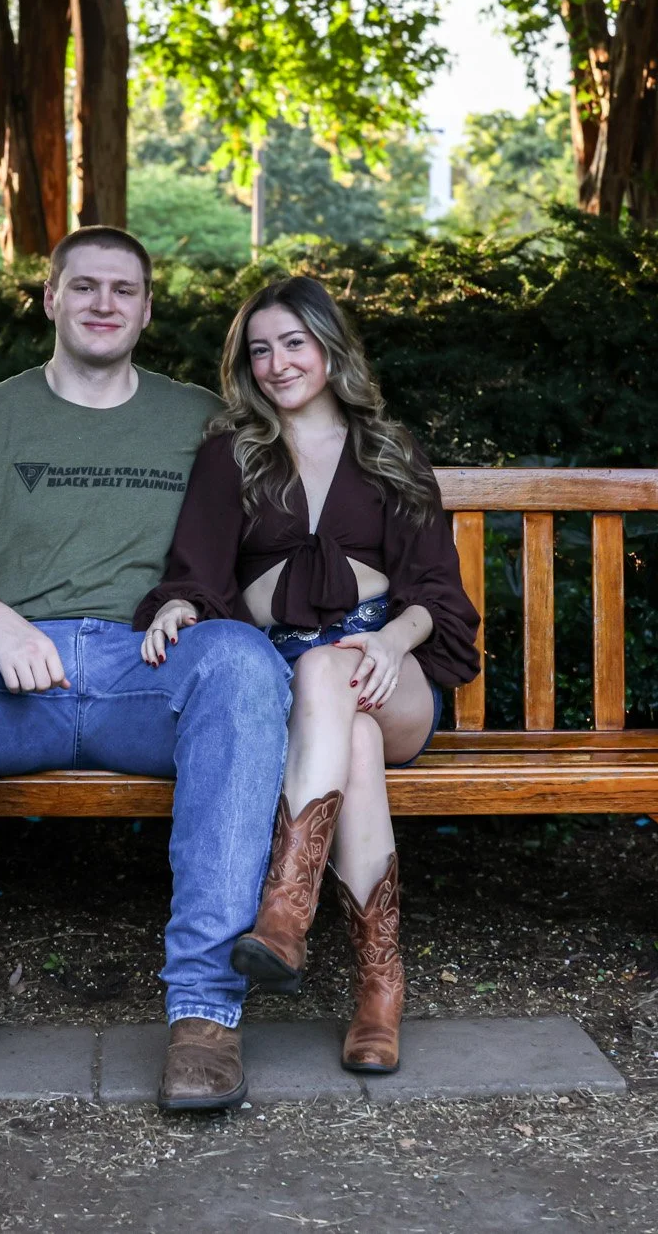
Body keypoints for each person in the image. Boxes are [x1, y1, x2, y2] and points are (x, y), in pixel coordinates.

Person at [0, 227, 291, 1110]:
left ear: (144, 309)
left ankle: (206, 1012)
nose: (104, 303)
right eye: (85, 286)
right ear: (50, 297)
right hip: (21, 676)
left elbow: (273, 532)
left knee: (245, 665)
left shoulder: (197, 419)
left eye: (124, 290)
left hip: (151, 668)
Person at [135, 276, 480, 1074]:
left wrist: (393, 642)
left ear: (330, 346)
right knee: (343, 727)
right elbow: (199, 569)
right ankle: (378, 990)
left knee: (345, 682)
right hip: (287, 679)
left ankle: (287, 910)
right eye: (260, 349)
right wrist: (177, 608)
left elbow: (436, 590)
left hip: (390, 670)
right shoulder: (234, 453)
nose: (276, 362)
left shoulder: (391, 449)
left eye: (293, 342)